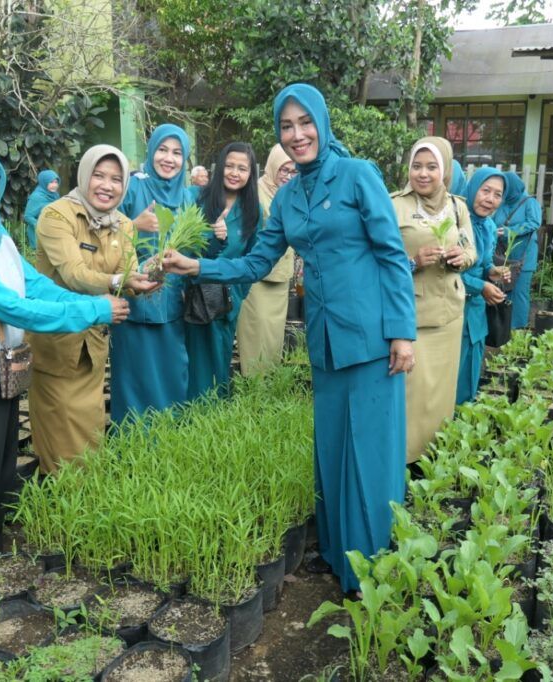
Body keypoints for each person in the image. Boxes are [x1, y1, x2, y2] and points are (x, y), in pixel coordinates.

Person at [163, 83, 416, 594]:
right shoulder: (289, 196)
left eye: (305, 122)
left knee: (367, 450)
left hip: (371, 338)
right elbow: (258, 260)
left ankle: (370, 570)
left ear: (322, 122)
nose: (297, 134)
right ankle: (338, 553)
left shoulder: (357, 175)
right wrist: (200, 265)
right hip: (324, 341)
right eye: (286, 126)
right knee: (331, 452)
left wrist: (402, 334)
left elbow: (392, 255)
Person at [0, 134, 125, 568]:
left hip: (0, 371)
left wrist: (91, 305)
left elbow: (36, 286)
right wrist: (94, 308)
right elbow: (10, 306)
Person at [28, 145, 159, 473]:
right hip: (57, 339)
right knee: (59, 433)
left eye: (116, 179)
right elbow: (73, 273)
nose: (107, 185)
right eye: (99, 175)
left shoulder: (124, 225)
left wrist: (145, 277)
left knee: (90, 432)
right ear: (84, 175)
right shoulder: (57, 215)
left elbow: (127, 275)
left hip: (94, 342)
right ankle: (57, 504)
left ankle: (84, 500)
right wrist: (119, 279)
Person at [392, 137, 477, 463]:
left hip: (450, 314)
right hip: (413, 316)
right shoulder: (394, 205)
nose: (423, 174)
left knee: (441, 394)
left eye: (431, 167)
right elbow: (378, 259)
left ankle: (434, 462)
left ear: (444, 170)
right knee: (413, 395)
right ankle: (405, 461)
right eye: (416, 166)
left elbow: (471, 248)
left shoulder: (457, 206)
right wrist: (413, 261)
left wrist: (461, 257)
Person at [110, 124, 194, 421]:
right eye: (162, 150)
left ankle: (168, 437)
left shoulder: (187, 197)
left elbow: (194, 247)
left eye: (176, 152)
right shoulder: (134, 187)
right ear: (151, 151)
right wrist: (135, 224)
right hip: (133, 297)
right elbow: (105, 230)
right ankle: (133, 441)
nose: (168, 158)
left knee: (171, 369)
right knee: (135, 374)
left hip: (172, 299)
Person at [185, 142, 262, 399]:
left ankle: (217, 419)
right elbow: (187, 249)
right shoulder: (199, 199)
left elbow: (254, 259)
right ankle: (191, 419)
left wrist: (237, 293)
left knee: (220, 361)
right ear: (219, 168)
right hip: (195, 297)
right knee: (194, 363)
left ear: (251, 174)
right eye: (229, 166)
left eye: (242, 168)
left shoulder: (253, 211)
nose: (234, 173)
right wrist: (215, 237)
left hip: (226, 302)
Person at [236, 144, 297, 375]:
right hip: (256, 278)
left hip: (280, 277)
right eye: (284, 170)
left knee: (273, 338)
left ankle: (269, 390)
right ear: (272, 167)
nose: (289, 176)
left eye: (294, 171)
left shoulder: (290, 194)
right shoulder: (256, 193)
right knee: (255, 336)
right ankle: (254, 389)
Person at [456, 169, 507, 405]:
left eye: (497, 194)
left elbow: (484, 261)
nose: (490, 199)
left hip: (476, 308)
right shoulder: (456, 222)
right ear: (473, 188)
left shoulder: (488, 226)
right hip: (454, 307)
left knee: (473, 362)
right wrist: (481, 286)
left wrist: (492, 270)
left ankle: (463, 419)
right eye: (485, 190)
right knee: (454, 367)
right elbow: (449, 273)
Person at [493, 171, 542, 329]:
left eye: (506, 188)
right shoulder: (503, 202)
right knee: (504, 290)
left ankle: (518, 330)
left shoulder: (529, 202)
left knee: (519, 293)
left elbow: (534, 222)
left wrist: (510, 231)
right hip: (503, 256)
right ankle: (504, 328)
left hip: (523, 256)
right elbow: (493, 221)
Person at [23, 170, 60, 250]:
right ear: (44, 183)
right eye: (51, 182)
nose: (54, 185)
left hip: (53, 234)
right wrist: (40, 225)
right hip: (39, 236)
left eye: (56, 182)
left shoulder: (55, 196)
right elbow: (28, 216)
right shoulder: (36, 197)